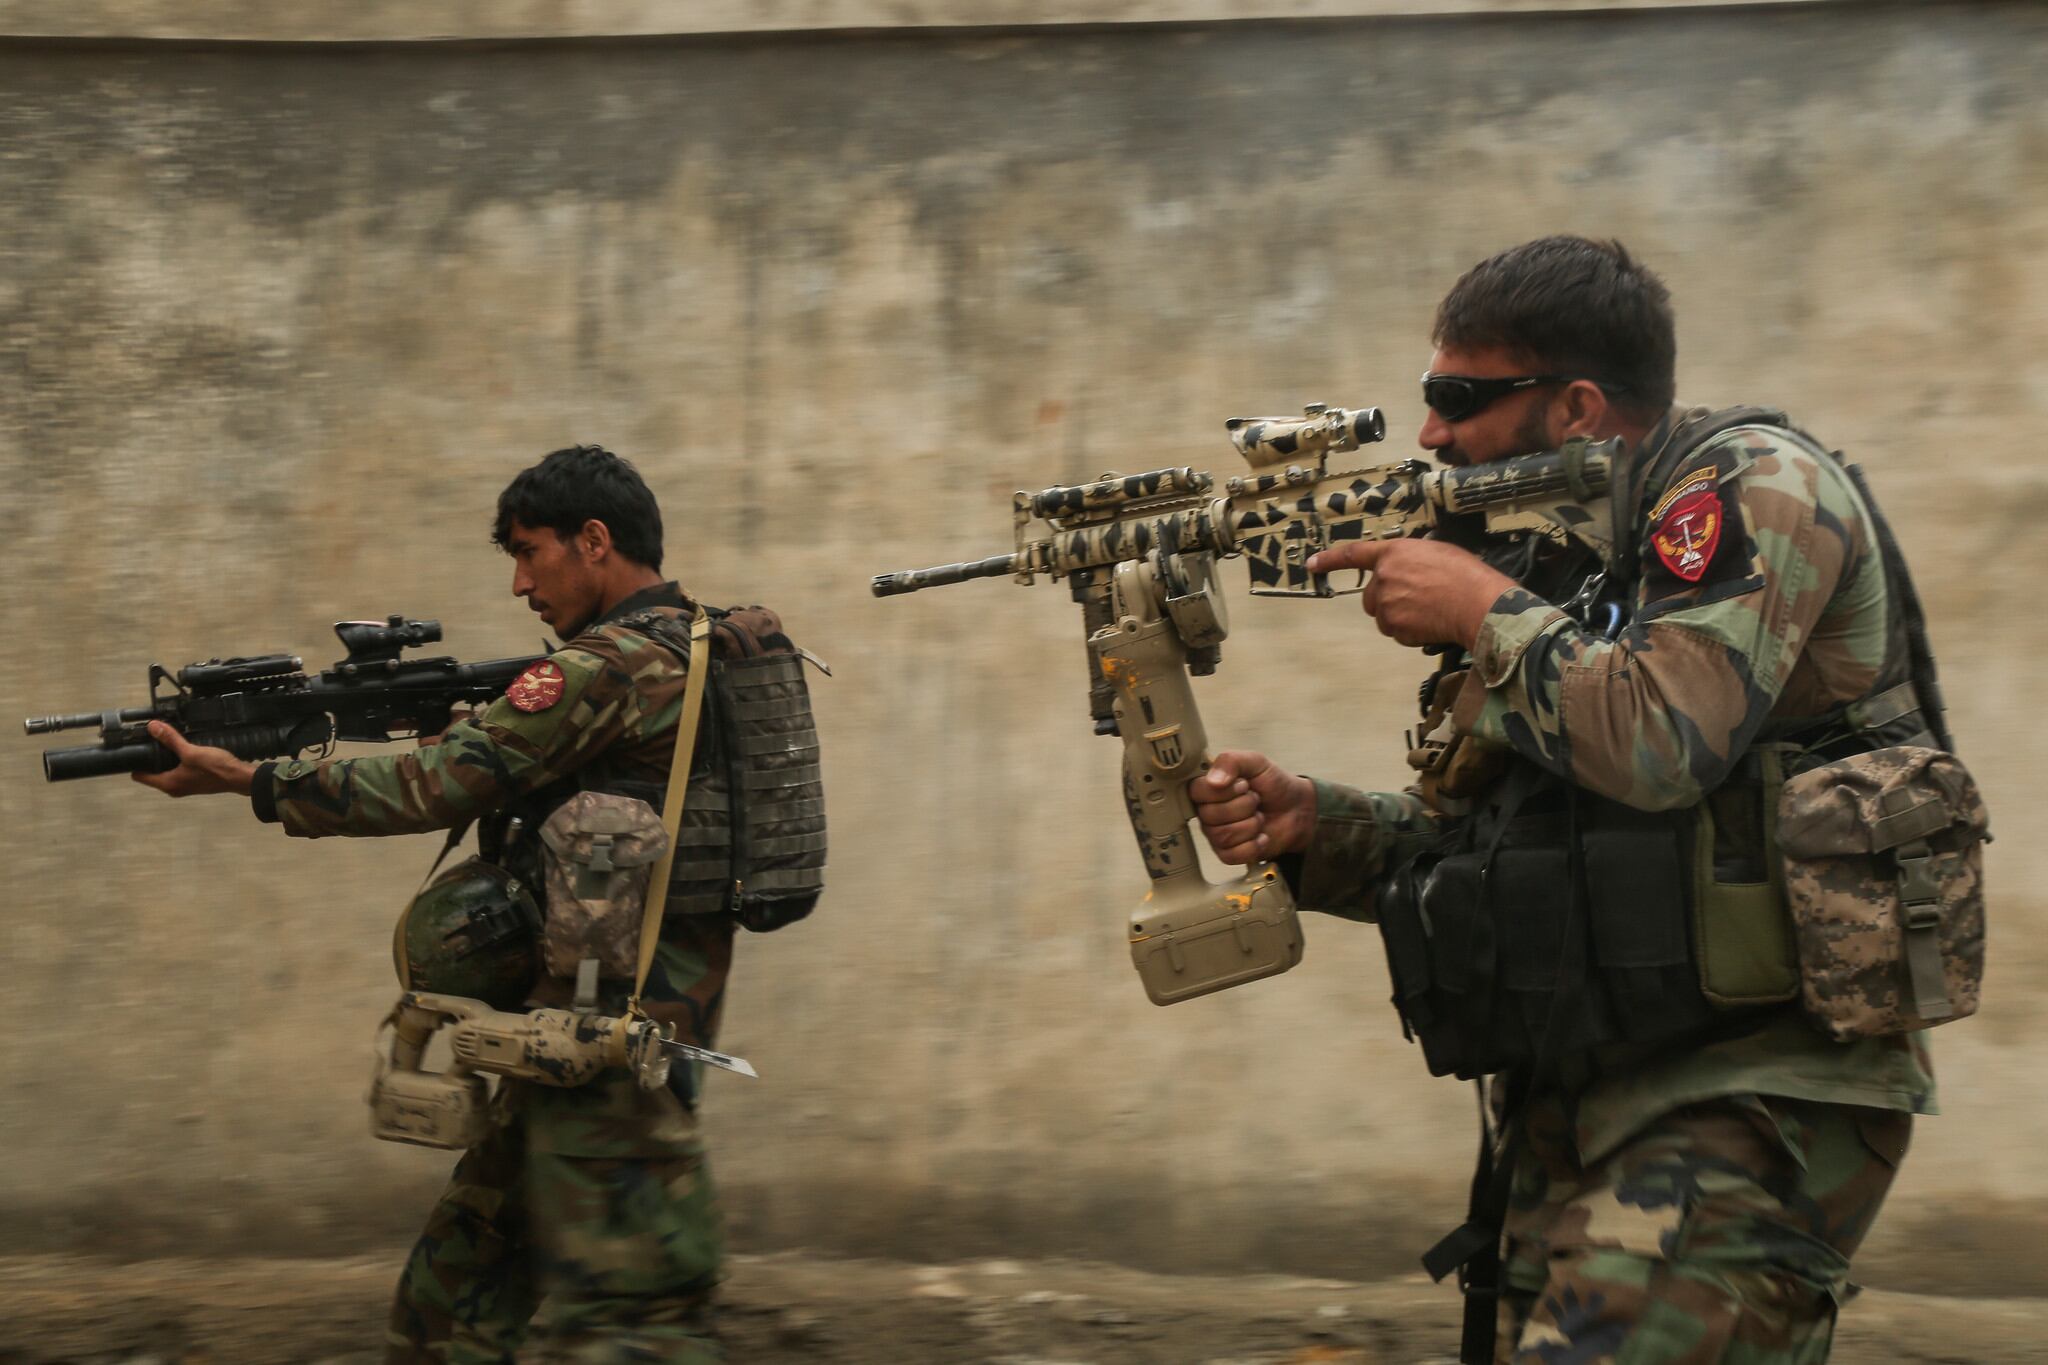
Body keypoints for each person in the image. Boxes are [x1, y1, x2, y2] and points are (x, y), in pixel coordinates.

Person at [1190, 236, 1941, 1364]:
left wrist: (1478, 611)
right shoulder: (1553, 558)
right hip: (1575, 1093)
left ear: (1578, 406)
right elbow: (1477, 839)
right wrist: (1315, 823)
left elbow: (1662, 742)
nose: (1430, 431)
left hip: (1756, 1089)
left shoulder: (1750, 489)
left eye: (1458, 396)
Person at [136, 444, 749, 1364]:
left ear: (593, 541)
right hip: (590, 1023)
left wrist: (252, 780)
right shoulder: (690, 644)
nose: (516, 583)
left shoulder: (604, 668)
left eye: (528, 551)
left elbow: (431, 785)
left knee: (636, 1331)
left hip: (609, 1041)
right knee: (448, 1302)